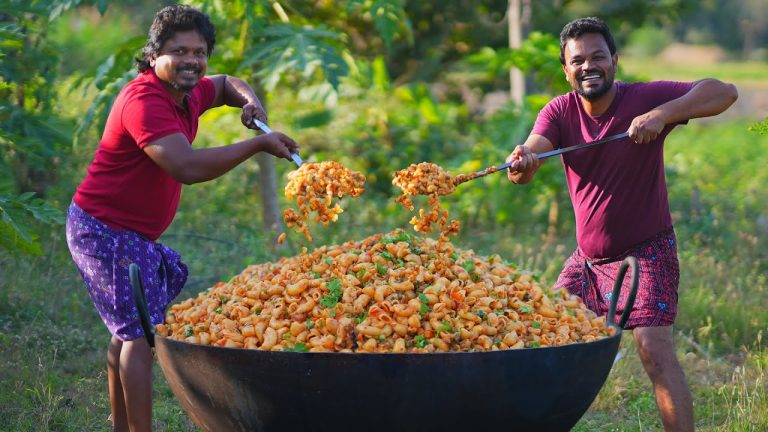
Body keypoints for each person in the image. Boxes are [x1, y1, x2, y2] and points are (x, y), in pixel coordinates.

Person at [65, 5, 299, 431]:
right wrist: (257, 145)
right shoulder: (144, 101)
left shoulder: (187, 93)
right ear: (154, 56)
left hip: (131, 233)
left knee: (126, 332)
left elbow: (227, 84)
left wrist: (250, 103)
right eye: (179, 51)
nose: (192, 60)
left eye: (199, 51)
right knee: (140, 337)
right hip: (102, 230)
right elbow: (185, 167)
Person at [505, 17, 737, 432]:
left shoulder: (644, 98)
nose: (588, 66)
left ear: (615, 60)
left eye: (598, 57)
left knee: (653, 349)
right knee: (544, 338)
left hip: (647, 250)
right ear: (566, 69)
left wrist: (661, 115)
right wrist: (524, 158)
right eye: (578, 61)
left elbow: (724, 92)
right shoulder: (560, 110)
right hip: (588, 263)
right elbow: (527, 163)